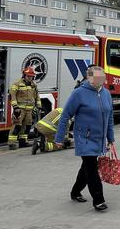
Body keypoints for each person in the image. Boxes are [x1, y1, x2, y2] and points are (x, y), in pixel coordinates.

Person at [54, 65, 114, 211]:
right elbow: (65, 115)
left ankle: (75, 191)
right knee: (92, 168)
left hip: (99, 139)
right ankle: (98, 200)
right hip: (84, 137)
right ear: (89, 78)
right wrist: (59, 138)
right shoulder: (79, 93)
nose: (101, 80)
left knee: (87, 167)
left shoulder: (106, 93)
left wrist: (111, 138)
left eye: (102, 77)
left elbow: (109, 116)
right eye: (97, 77)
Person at [8, 67, 41, 149]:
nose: (30, 78)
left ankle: (23, 141)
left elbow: (37, 96)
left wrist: (38, 107)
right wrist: (15, 107)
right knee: (17, 126)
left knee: (27, 126)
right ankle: (11, 143)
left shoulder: (34, 85)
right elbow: (12, 96)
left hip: (29, 110)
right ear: (24, 75)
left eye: (32, 76)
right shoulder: (16, 84)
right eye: (28, 76)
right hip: (19, 110)